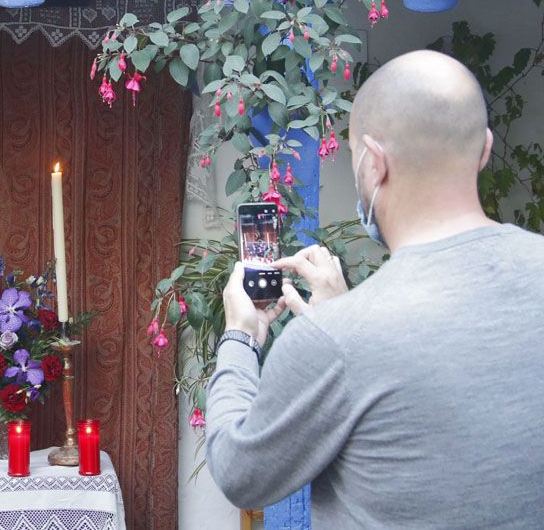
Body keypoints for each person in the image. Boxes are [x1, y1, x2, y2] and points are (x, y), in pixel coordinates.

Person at [204, 50, 544, 528]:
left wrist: (240, 336)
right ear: (485, 148)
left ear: (373, 165)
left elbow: (240, 474)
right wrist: (344, 313)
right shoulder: (341, 332)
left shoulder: (334, 340)